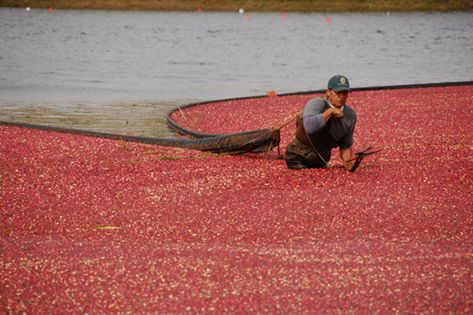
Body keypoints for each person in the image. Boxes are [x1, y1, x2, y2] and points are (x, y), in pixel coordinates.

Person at [285, 74, 362, 171]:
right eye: (338, 93)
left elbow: (345, 145)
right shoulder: (316, 104)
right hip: (296, 157)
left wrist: (348, 163)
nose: (342, 97)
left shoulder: (350, 116)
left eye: (345, 93)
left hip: (320, 161)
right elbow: (309, 127)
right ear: (328, 92)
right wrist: (330, 112)